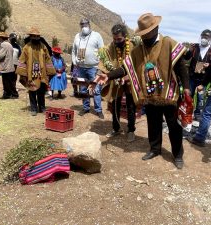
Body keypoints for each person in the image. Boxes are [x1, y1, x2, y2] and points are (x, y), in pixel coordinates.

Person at [95, 13, 190, 169]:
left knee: (174, 126)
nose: (144, 37)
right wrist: (108, 76)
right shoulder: (138, 50)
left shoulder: (168, 43)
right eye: (142, 34)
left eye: (147, 33)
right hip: (150, 94)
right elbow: (125, 68)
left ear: (156, 29)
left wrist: (186, 87)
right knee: (153, 123)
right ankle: (155, 149)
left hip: (169, 94)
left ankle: (177, 155)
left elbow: (181, 67)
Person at [98, 23, 136, 142]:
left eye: (119, 39)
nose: (116, 41)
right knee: (115, 104)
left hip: (130, 81)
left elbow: (137, 64)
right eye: (114, 39)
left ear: (125, 36)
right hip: (115, 79)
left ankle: (131, 130)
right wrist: (103, 73)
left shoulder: (133, 46)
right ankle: (116, 128)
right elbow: (104, 60)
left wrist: (127, 77)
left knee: (131, 106)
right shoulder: (110, 47)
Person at [16, 27, 56, 116]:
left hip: (42, 73)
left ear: (39, 37)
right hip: (30, 74)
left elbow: (48, 59)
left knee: (41, 91)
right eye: (33, 36)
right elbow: (22, 60)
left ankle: (42, 107)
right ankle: (33, 108)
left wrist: (50, 71)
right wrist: (23, 73)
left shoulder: (43, 47)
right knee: (32, 90)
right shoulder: (26, 47)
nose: (35, 38)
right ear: (30, 36)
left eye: (37, 36)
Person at [72, 18, 105, 119]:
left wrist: (101, 66)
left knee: (96, 89)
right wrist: (74, 61)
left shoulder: (97, 35)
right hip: (81, 67)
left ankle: (98, 110)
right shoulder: (77, 36)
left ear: (89, 24)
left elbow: (102, 51)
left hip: (93, 67)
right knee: (83, 88)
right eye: (82, 24)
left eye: (85, 24)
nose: (83, 26)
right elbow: (74, 50)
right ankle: (85, 108)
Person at [184, 29, 211, 121]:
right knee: (189, 95)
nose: (204, 38)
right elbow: (186, 57)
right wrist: (188, 50)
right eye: (203, 36)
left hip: (203, 79)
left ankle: (198, 114)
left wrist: (209, 64)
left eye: (206, 37)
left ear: (210, 38)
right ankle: (188, 112)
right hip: (192, 77)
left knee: (201, 98)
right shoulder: (195, 47)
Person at [0, 32, 18, 99]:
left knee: (6, 81)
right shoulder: (9, 44)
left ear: (1, 38)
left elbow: (0, 56)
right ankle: (13, 94)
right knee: (10, 81)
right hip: (10, 65)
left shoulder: (3, 45)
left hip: (5, 65)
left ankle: (8, 94)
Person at [9, 33, 22, 97]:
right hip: (8, 64)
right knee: (9, 77)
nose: (13, 40)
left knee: (14, 77)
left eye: (14, 39)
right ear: (10, 39)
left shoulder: (18, 46)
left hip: (15, 64)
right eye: (12, 39)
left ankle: (13, 88)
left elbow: (20, 55)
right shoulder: (8, 45)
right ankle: (9, 89)